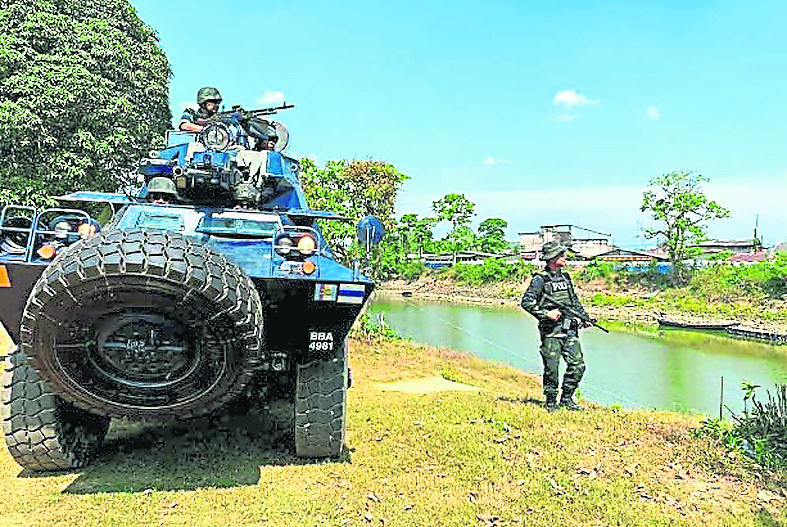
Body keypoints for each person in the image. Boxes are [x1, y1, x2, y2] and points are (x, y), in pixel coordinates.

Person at [520, 241, 591, 412]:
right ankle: (551, 402)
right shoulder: (540, 280)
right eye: (561, 255)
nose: (564, 258)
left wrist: (584, 317)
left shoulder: (566, 278)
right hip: (551, 332)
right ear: (552, 258)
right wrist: (547, 314)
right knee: (552, 368)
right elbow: (527, 302)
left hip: (569, 329)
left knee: (578, 365)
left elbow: (574, 301)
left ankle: (567, 399)